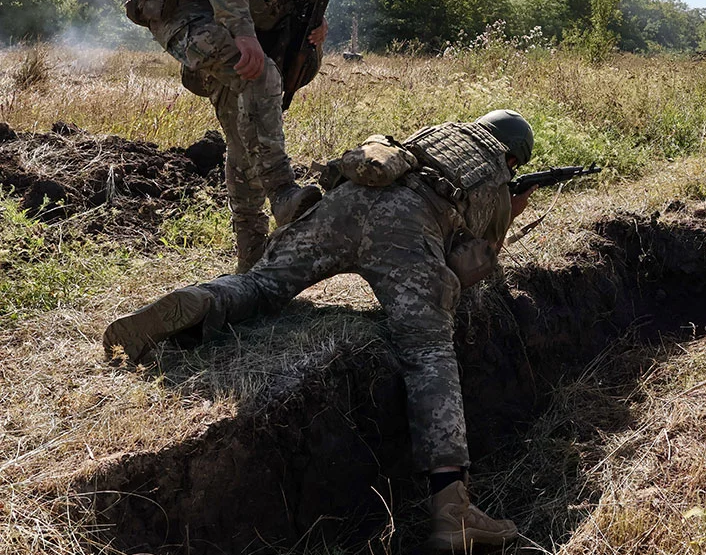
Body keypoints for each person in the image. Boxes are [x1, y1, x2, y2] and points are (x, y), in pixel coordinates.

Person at [103, 109, 536, 550]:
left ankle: (202, 301)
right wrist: (509, 210)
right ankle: (452, 510)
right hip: (409, 227)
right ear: (514, 157)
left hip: (344, 205)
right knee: (428, 352)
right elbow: (480, 260)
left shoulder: (437, 136)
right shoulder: (494, 177)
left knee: (262, 283)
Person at [148, 0, 365, 272]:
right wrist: (244, 33)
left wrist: (314, 30)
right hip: (187, 13)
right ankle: (283, 192)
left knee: (244, 141)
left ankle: (252, 258)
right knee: (262, 76)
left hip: (227, 21)